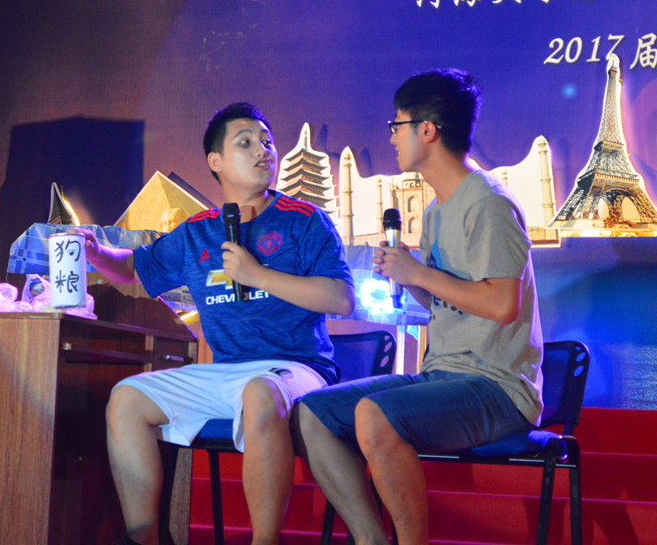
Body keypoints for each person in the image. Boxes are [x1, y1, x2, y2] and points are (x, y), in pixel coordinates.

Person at [85, 102, 356, 545]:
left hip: (296, 369)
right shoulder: (197, 232)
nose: (263, 150)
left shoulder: (305, 220)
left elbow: (341, 298)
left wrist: (258, 276)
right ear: (216, 161)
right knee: (127, 398)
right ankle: (144, 537)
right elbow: (135, 268)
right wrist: (97, 254)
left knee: (260, 392)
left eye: (267, 141)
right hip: (226, 372)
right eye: (245, 142)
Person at [295, 69, 544, 545]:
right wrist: (407, 276)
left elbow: (501, 304)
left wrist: (419, 273)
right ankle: (371, 538)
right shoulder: (434, 211)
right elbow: (445, 301)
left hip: (497, 387)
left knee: (373, 415)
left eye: (397, 124)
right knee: (312, 414)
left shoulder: (489, 202)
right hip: (440, 374)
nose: (391, 136)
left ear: (426, 130)